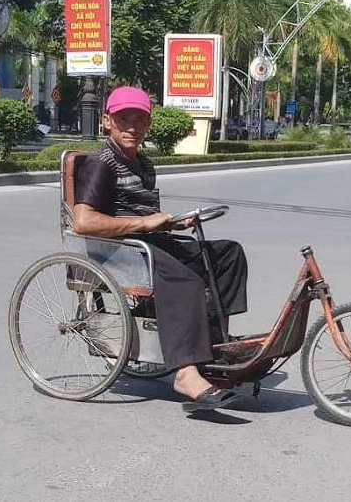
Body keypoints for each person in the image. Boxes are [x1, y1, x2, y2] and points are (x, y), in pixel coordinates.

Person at [72, 86, 249, 412]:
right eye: (124, 119)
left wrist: (170, 223)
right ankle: (185, 371)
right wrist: (146, 225)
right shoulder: (101, 163)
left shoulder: (144, 163)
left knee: (227, 255)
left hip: (148, 241)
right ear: (107, 121)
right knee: (184, 280)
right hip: (116, 250)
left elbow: (143, 214)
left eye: (140, 120)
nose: (132, 127)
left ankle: (212, 343)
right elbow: (83, 222)